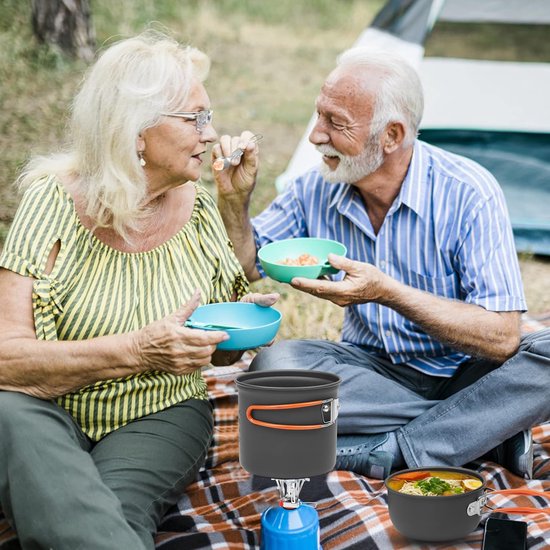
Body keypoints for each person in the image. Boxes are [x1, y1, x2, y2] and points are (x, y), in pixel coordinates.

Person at [213, 47, 550, 480]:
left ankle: (400, 450)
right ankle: (488, 431)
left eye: (336, 123)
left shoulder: (469, 192)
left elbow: (503, 338)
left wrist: (387, 292)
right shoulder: (313, 190)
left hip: (469, 371)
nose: (316, 135)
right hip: (371, 374)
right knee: (273, 373)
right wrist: (234, 201)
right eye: (319, 116)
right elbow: (247, 265)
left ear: (391, 136)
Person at [0, 32, 277, 549]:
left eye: (208, 116)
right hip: (46, 406)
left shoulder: (195, 205)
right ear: (137, 132)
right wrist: (135, 350)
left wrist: (237, 323)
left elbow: (221, 349)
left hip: (158, 409)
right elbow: (7, 362)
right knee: (7, 413)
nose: (210, 133)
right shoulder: (52, 203)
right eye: (194, 118)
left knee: (104, 514)